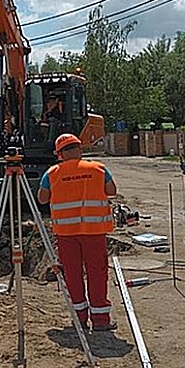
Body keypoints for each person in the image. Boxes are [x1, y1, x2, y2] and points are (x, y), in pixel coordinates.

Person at [37, 133, 118, 332]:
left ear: (60, 154)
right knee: (97, 273)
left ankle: (79, 318)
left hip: (66, 233)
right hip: (94, 231)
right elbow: (112, 191)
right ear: (79, 149)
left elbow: (42, 199)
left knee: (72, 274)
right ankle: (100, 320)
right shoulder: (98, 169)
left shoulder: (52, 173)